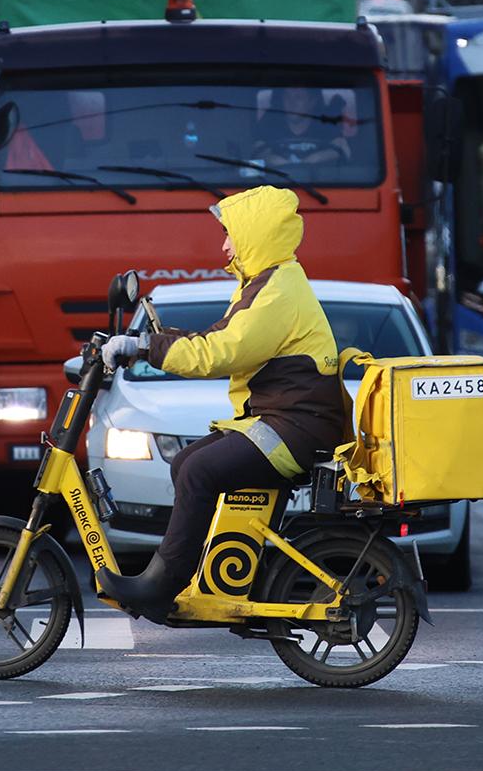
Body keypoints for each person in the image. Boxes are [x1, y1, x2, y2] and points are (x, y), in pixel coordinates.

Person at [95, 186, 350, 619]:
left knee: (197, 469)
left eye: (231, 233)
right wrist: (150, 341)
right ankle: (200, 572)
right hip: (284, 421)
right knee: (186, 463)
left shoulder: (277, 292)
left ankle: (162, 584)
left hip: (294, 427)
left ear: (256, 235)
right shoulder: (266, 284)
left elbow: (221, 352)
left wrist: (144, 348)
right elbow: (218, 337)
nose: (225, 244)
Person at [252, 85, 351, 168]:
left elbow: (343, 149)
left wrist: (313, 160)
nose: (291, 103)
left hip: (321, 184)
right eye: (287, 97)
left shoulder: (325, 124)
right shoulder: (270, 122)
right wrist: (279, 163)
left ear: (312, 102)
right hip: (279, 185)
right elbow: (258, 151)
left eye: (298, 97)